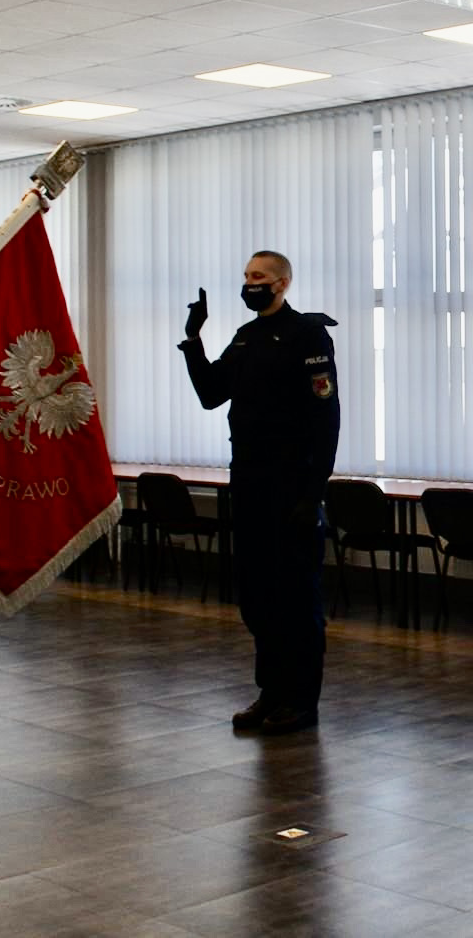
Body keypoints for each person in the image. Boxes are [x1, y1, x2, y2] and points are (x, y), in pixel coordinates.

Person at [178, 251, 340, 735]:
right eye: (246, 276)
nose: (250, 284)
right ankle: (270, 693)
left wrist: (313, 493)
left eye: (259, 277)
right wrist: (193, 339)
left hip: (291, 483)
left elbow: (325, 418)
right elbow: (211, 394)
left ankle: (300, 701)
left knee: (295, 597)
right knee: (257, 596)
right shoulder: (246, 337)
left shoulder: (307, 335)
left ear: (283, 284)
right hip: (247, 480)